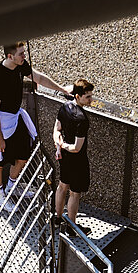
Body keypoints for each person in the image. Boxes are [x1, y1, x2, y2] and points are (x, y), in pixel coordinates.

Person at [0, 41, 60, 200]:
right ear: (10, 56)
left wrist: (61, 89)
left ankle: (12, 186)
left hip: (16, 118)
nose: (24, 56)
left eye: (24, 53)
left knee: (22, 156)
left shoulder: (20, 65)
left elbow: (37, 77)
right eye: (21, 54)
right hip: (1, 122)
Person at [53, 78, 94, 222]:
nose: (91, 100)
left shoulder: (64, 107)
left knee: (62, 186)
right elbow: (77, 148)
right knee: (75, 193)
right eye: (87, 97)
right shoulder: (82, 119)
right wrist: (63, 146)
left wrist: (59, 146)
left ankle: (57, 219)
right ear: (78, 96)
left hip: (65, 157)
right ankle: (71, 226)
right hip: (77, 160)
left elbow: (57, 130)